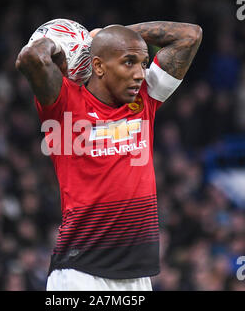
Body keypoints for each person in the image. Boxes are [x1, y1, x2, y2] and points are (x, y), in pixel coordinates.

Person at [15, 21, 202, 291]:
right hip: (81, 274)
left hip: (137, 278)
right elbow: (30, 58)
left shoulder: (144, 99)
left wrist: (106, 35)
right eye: (129, 62)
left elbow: (190, 35)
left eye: (143, 63)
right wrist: (56, 41)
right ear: (99, 67)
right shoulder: (64, 103)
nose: (140, 73)